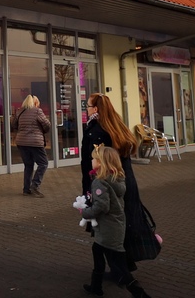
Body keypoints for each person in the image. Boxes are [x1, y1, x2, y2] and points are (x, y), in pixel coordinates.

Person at [77, 145, 152, 297]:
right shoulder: (117, 178)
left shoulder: (99, 182)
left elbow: (101, 207)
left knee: (119, 265)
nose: (91, 161)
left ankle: (138, 292)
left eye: (94, 158)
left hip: (107, 229)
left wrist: (84, 212)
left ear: (101, 162)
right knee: (97, 252)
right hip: (116, 226)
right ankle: (96, 286)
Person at [81, 93, 141, 272]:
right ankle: (126, 264)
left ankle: (120, 272)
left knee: (107, 227)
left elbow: (96, 161)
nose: (87, 109)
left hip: (106, 184)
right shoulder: (116, 125)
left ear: (96, 109)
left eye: (88, 106)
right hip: (123, 182)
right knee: (122, 223)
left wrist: (91, 185)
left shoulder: (97, 131)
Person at [11, 94, 51, 198]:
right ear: (36, 103)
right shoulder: (38, 111)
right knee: (43, 163)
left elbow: (14, 125)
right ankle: (35, 186)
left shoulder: (19, 111)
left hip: (21, 142)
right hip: (35, 142)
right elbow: (47, 124)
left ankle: (26, 189)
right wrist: (42, 130)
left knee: (28, 165)